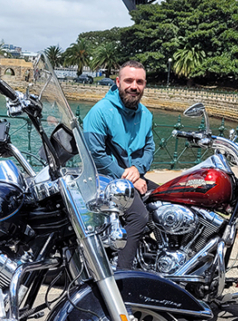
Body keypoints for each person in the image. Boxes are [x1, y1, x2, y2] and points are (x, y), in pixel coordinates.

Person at [83, 60, 156, 270]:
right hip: (103, 178)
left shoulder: (146, 115)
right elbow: (95, 154)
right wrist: (127, 176)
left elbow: (149, 149)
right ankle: (123, 276)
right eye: (129, 80)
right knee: (139, 216)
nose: (134, 86)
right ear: (118, 82)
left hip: (131, 176)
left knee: (166, 198)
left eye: (139, 82)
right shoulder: (101, 111)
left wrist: (137, 171)